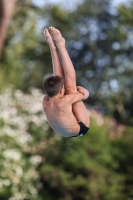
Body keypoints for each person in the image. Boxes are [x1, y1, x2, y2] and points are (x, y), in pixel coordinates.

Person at [42, 27, 90, 137]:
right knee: (70, 88)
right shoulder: (45, 101)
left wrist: (82, 92)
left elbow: (84, 94)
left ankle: (54, 47)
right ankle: (60, 46)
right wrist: (82, 91)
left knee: (67, 88)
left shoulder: (49, 102)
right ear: (60, 91)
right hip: (81, 128)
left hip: (65, 130)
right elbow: (84, 95)